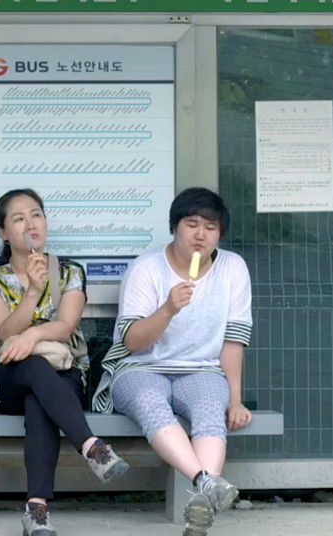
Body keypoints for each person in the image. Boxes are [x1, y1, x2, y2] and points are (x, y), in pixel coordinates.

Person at [92, 187, 253, 536]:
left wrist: (235, 399)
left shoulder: (232, 268)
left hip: (201, 368)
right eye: (191, 224)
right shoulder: (146, 269)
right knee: (152, 402)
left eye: (210, 227)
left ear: (220, 233)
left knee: (212, 404)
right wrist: (167, 309)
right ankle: (207, 483)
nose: (200, 234)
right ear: (174, 227)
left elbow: (232, 341)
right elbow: (131, 343)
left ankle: (201, 503)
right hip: (138, 368)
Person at [0, 189, 130, 536]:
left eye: (36, 214)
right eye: (19, 218)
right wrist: (31, 292)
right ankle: (92, 446)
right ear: (2, 231)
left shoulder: (69, 271)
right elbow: (4, 330)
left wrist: (32, 337)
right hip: (5, 376)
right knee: (32, 369)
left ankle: (37, 511)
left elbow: (66, 326)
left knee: (39, 400)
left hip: (64, 372)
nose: (31, 223)